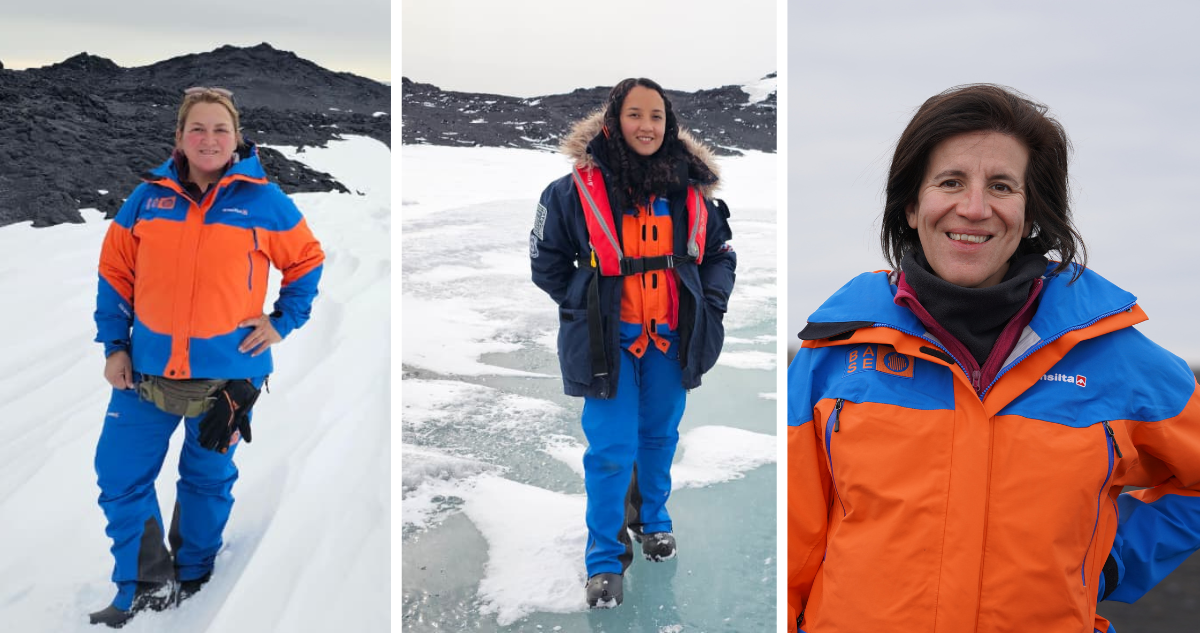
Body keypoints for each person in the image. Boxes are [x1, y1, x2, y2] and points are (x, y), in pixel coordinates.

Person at [787, 84, 1200, 633]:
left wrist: (1113, 559)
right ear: (912, 206)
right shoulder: (833, 356)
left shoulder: (1111, 357)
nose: (974, 208)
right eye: (951, 182)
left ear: (1031, 213)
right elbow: (792, 543)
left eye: (1001, 186)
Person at [90, 87, 324, 627]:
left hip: (228, 377)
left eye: (221, 129)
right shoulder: (148, 198)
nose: (209, 139)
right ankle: (145, 582)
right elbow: (115, 274)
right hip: (143, 372)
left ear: (237, 137)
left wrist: (282, 322)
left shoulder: (263, 200)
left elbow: (306, 261)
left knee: (206, 478)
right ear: (179, 137)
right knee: (118, 475)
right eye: (198, 128)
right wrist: (115, 346)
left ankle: (194, 572)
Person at [530, 77, 736, 608]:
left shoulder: (691, 193)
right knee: (610, 451)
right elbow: (545, 263)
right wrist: (585, 307)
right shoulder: (570, 192)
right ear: (612, 121)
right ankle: (603, 558)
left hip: (670, 340)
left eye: (657, 117)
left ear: (669, 125)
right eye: (635, 115)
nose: (646, 126)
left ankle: (654, 521)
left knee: (659, 439)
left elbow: (719, 255)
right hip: (609, 345)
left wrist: (710, 305)